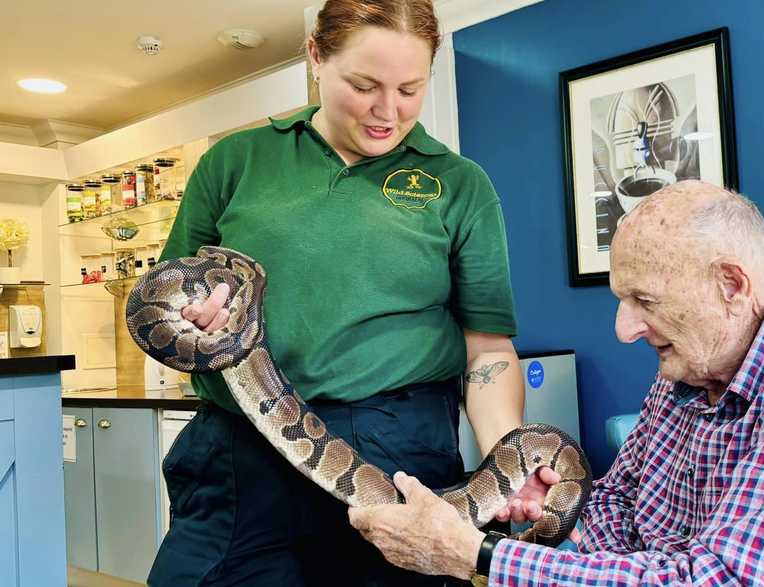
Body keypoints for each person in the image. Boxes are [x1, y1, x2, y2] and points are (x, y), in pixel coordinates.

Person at [147, 1, 559, 585]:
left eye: (410, 90)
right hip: (240, 452)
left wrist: (509, 464)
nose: (387, 112)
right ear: (316, 56)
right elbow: (166, 302)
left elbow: (487, 350)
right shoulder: (233, 164)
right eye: (364, 85)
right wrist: (194, 323)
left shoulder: (460, 185)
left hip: (399, 454)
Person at [348, 180, 764, 585]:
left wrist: (477, 556)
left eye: (644, 301)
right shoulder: (687, 368)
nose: (624, 329)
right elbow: (623, 506)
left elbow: (730, 579)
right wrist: (558, 517)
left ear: (731, 285)